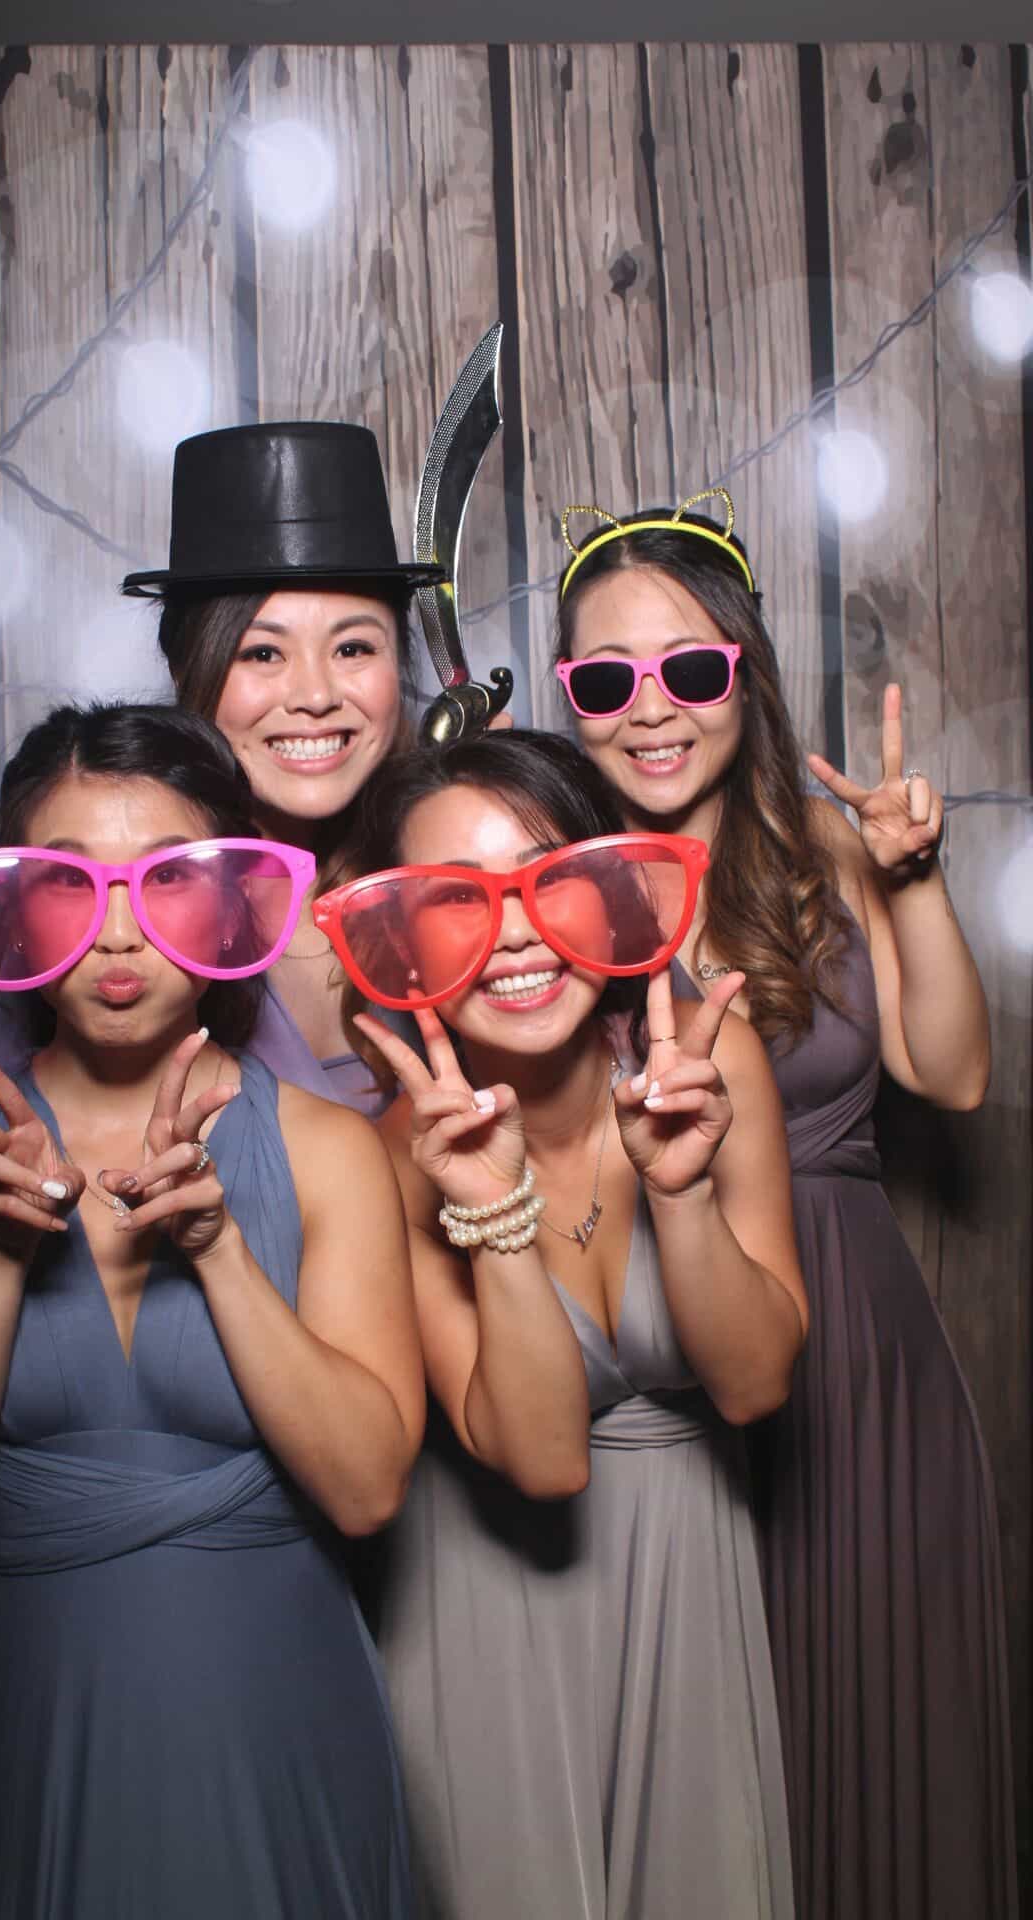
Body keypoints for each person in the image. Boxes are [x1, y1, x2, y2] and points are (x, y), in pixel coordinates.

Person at [0, 702, 425, 1918]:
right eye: (69, 884)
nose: (117, 932)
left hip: (277, 1716)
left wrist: (217, 1250)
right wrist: (1, 1257)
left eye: (166, 881)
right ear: (12, 908)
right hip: (30, 1723)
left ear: (231, 902)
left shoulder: (327, 1152)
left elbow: (368, 1490)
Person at [552, 491, 1016, 1920]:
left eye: (689, 668)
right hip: (656, 1357)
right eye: (607, 681)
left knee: (866, 1758)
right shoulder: (546, 890)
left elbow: (950, 1074)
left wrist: (911, 877)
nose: (651, 710)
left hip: (853, 1368)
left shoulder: (827, 848)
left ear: (742, 675)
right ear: (568, 701)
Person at [315, 728, 807, 1918]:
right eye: (455, 902)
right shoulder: (389, 1156)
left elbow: (753, 1387)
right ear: (396, 940)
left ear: (609, 893)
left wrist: (679, 1193)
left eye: (549, 881)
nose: (517, 935)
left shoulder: (709, 1061)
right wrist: (490, 1213)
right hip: (487, 1616)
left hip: (689, 1586)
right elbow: (541, 1459)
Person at [0, 421, 445, 1117]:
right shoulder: (95, 902)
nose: (316, 695)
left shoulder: (456, 878)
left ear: (400, 663)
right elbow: (64, 1157)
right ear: (184, 667)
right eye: (261, 653)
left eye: (354, 648)